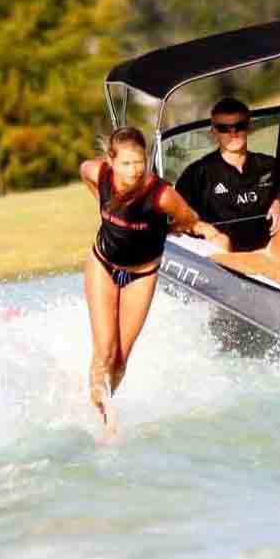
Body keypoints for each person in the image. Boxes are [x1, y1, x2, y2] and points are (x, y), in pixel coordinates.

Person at [81, 126, 224, 428]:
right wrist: (104, 207)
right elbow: (85, 172)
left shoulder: (161, 196)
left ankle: (108, 397)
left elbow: (189, 219)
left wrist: (167, 229)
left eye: (139, 162)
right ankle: (102, 416)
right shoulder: (98, 172)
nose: (133, 171)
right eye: (125, 163)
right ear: (111, 161)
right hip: (103, 264)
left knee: (119, 359)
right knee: (104, 349)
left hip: (142, 273)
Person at [174, 97, 280, 284]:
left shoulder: (269, 165)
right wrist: (205, 228)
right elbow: (177, 217)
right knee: (219, 242)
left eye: (239, 126)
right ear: (214, 132)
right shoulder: (198, 172)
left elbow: (274, 194)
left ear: (249, 127)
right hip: (228, 257)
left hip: (269, 250)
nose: (233, 133)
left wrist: (277, 201)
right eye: (224, 128)